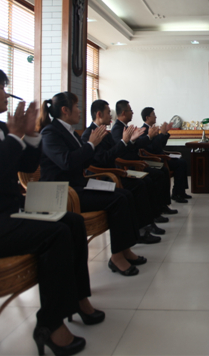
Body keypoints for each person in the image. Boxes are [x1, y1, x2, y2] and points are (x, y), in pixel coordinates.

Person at [0, 64, 102, 356]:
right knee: (56, 234)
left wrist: (30, 135)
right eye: (1, 87)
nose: (6, 94)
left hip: (5, 215)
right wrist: (13, 137)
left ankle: (78, 299)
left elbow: (25, 164)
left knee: (72, 222)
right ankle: (50, 324)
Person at [38, 91, 159, 278]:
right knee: (118, 199)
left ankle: (125, 249)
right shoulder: (50, 132)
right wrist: (91, 145)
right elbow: (67, 162)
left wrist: (92, 146)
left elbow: (85, 162)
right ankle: (116, 257)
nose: (80, 111)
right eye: (76, 107)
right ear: (65, 110)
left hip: (78, 185)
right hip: (62, 192)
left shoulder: (70, 132)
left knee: (125, 195)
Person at [81, 99, 171, 234]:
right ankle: (143, 227)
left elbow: (117, 153)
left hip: (113, 172)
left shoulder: (104, 132)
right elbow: (103, 159)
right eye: (108, 112)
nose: (111, 115)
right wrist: (124, 141)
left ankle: (147, 223)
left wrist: (130, 141)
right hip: (102, 177)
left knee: (143, 182)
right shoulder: (89, 134)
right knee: (139, 185)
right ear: (99, 114)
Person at [111, 100, 176, 216]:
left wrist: (150, 137)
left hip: (137, 162)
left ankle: (161, 206)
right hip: (130, 165)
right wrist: (147, 137)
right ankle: (155, 211)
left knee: (162, 172)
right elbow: (121, 151)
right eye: (130, 110)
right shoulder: (117, 129)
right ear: (124, 113)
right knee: (156, 176)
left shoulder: (126, 127)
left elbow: (137, 144)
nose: (132, 112)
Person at [139, 106, 191, 204]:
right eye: (153, 115)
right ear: (147, 117)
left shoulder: (153, 128)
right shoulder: (143, 131)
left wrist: (165, 133)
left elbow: (161, 145)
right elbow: (151, 148)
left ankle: (180, 191)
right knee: (180, 164)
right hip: (155, 159)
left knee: (182, 162)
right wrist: (162, 134)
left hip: (161, 156)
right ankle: (177, 194)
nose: (155, 116)